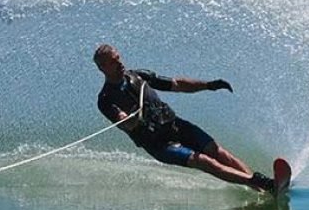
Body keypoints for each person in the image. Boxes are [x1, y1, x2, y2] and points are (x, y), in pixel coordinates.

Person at [94, 44, 274, 192]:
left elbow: (177, 84)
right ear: (103, 68)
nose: (120, 63)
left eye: (119, 58)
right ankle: (260, 182)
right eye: (113, 61)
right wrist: (133, 118)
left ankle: (262, 188)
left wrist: (209, 85)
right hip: (159, 144)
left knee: (217, 151)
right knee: (202, 161)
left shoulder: (138, 76)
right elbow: (125, 123)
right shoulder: (106, 99)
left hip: (174, 125)